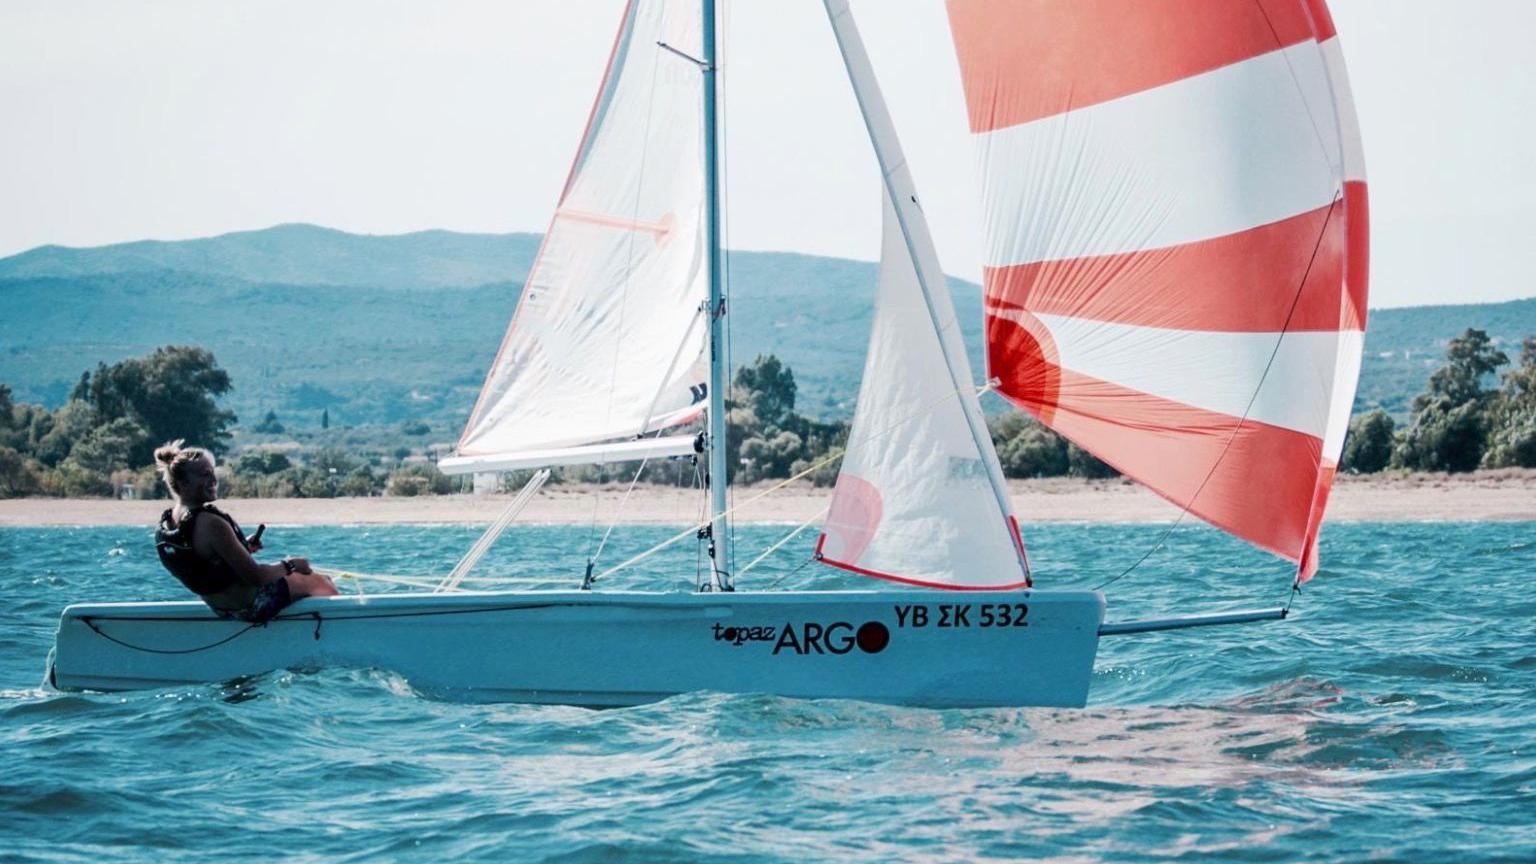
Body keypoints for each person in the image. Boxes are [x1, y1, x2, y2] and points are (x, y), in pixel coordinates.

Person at [153, 440, 336, 622]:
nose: (213, 480)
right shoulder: (210, 523)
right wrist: (292, 565)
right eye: (205, 475)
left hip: (222, 609)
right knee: (320, 582)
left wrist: (244, 547)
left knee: (303, 583)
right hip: (254, 606)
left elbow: (205, 562)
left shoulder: (170, 522)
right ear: (183, 483)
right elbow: (256, 577)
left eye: (212, 473)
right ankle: (340, 633)